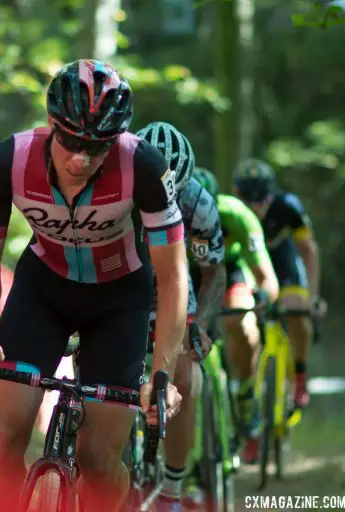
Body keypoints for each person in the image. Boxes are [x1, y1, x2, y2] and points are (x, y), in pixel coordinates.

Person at [0, 59, 187, 512]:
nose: (81, 157)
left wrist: (162, 372)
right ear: (50, 125)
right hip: (42, 290)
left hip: (119, 298)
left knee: (99, 461)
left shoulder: (144, 166)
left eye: (97, 145)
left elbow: (172, 273)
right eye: (70, 140)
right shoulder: (7, 162)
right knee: (6, 436)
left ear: (118, 139)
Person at [135, 125, 226, 510]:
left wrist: (201, 325)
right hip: (123, 277)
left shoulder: (198, 205)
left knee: (184, 375)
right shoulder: (112, 187)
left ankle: (172, 486)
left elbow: (213, 271)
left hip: (174, 283)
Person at [192, 167, 280, 464]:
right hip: (191, 274)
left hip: (231, 271)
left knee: (241, 321)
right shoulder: (170, 216)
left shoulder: (238, 215)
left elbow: (265, 275)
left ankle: (244, 391)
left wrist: (264, 297)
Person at [232, 159, 326, 412]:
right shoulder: (231, 212)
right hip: (250, 263)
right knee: (242, 321)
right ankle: (248, 393)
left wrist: (313, 296)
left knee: (296, 309)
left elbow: (308, 250)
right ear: (237, 194)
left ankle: (299, 374)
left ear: (272, 194)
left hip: (282, 261)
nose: (256, 207)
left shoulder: (288, 207)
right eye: (249, 200)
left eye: (262, 200)